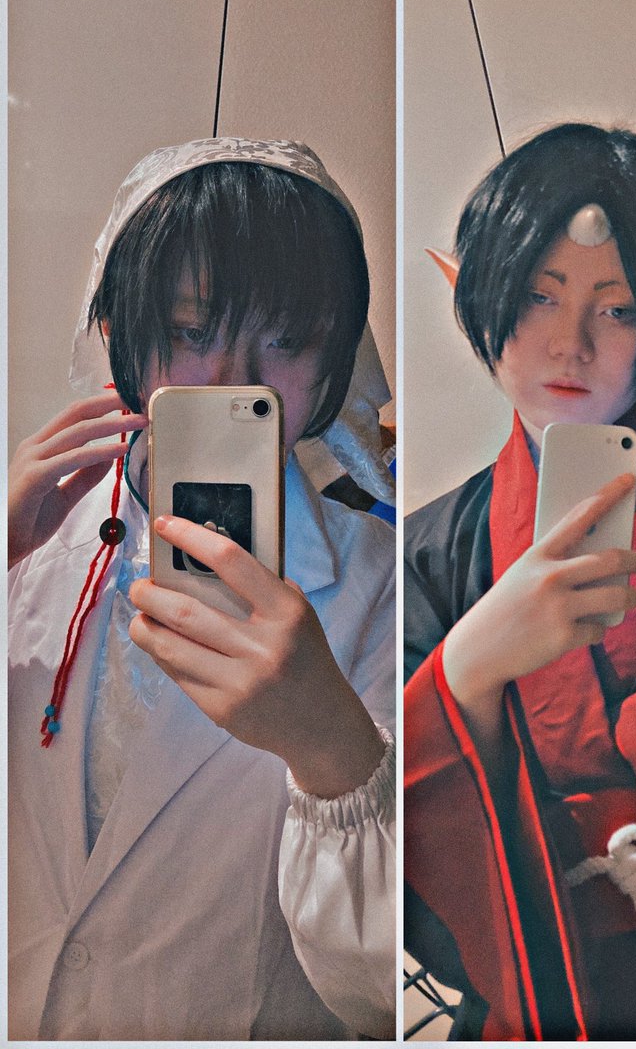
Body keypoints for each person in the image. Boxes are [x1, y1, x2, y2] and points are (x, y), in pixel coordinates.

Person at [404, 123, 636, 1040]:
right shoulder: (429, 549)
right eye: (538, 297)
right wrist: (465, 677)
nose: (569, 345)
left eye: (616, 310)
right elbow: (396, 827)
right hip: (554, 982)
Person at [8, 137, 395, 1040]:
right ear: (118, 332)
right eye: (192, 330)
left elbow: (382, 993)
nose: (232, 383)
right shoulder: (36, 532)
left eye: (287, 340)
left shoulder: (381, 586)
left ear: (335, 359)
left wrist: (333, 753)